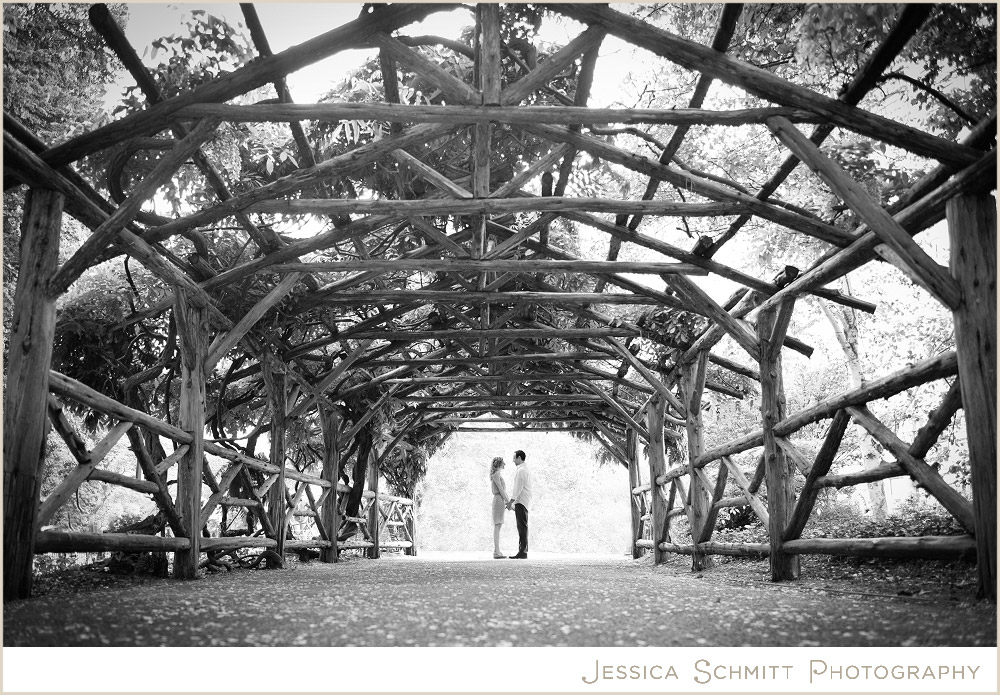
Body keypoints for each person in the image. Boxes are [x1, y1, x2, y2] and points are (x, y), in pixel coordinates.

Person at [505, 450, 532, 559]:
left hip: (521, 501)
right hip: (524, 501)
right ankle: (523, 551)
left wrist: (511, 501)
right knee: (523, 526)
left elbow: (518, 488)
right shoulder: (525, 469)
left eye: (514, 458)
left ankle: (522, 552)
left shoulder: (521, 471)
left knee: (522, 526)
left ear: (520, 458)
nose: (513, 460)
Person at [489, 456, 511, 559]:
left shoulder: (496, 474)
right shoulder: (496, 474)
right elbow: (501, 490)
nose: (505, 464)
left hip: (499, 500)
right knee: (497, 526)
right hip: (498, 500)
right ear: (499, 464)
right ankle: (497, 552)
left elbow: (503, 491)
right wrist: (508, 502)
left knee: (498, 526)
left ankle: (496, 550)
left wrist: (508, 501)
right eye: (503, 463)